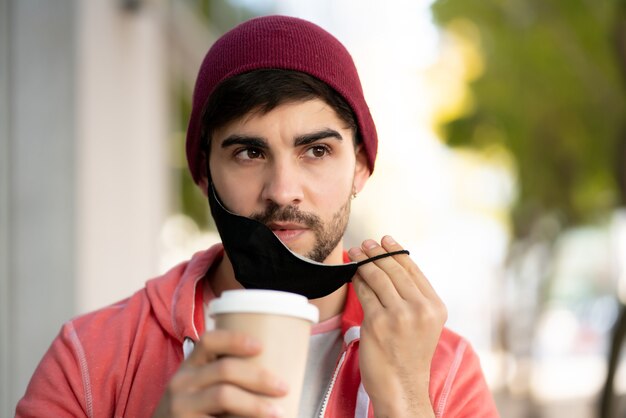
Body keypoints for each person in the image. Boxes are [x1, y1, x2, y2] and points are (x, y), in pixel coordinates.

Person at [16, 15, 499, 418]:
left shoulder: (443, 366)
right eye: (249, 152)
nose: (282, 190)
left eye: (316, 150)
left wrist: (406, 398)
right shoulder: (89, 356)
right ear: (204, 173)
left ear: (361, 167)